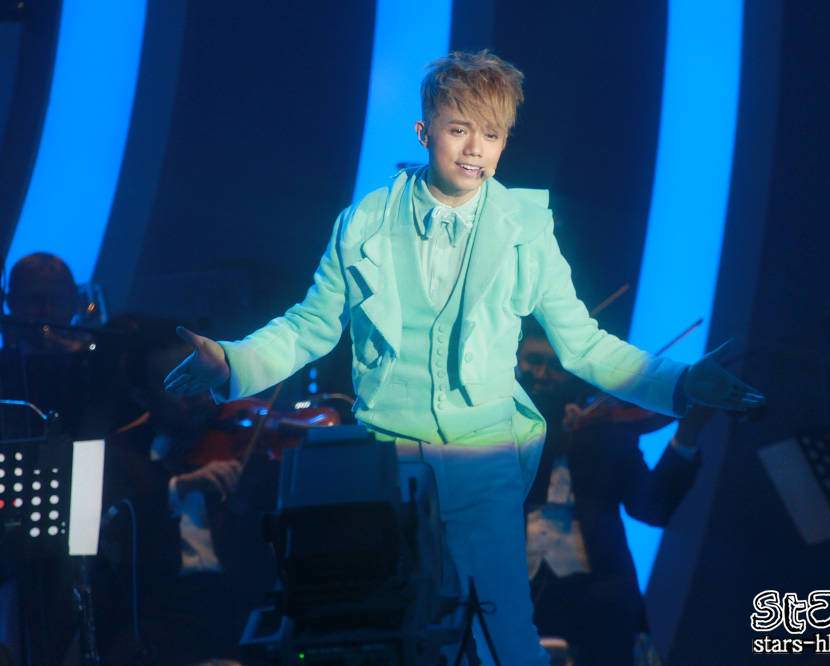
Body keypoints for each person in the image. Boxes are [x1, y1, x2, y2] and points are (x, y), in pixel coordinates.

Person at [164, 50, 765, 664]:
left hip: (485, 452)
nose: (476, 149)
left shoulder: (524, 228)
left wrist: (681, 382)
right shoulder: (364, 222)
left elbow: (583, 343)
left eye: (492, 134)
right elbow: (310, 326)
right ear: (424, 132)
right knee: (387, 631)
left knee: (503, 629)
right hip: (388, 456)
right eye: (459, 130)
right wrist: (232, 361)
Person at [518, 321, 708, 664]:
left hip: (600, 594)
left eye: (556, 366)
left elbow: (652, 507)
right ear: (515, 361)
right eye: (533, 361)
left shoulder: (604, 429)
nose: (543, 374)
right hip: (514, 587)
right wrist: (557, 429)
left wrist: (688, 434)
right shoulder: (501, 432)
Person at [99, 317, 276, 664]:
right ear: (143, 396)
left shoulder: (248, 436)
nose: (196, 395)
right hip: (166, 618)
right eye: (178, 384)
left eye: (201, 378)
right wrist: (179, 488)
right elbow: (112, 530)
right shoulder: (121, 455)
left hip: (246, 609)